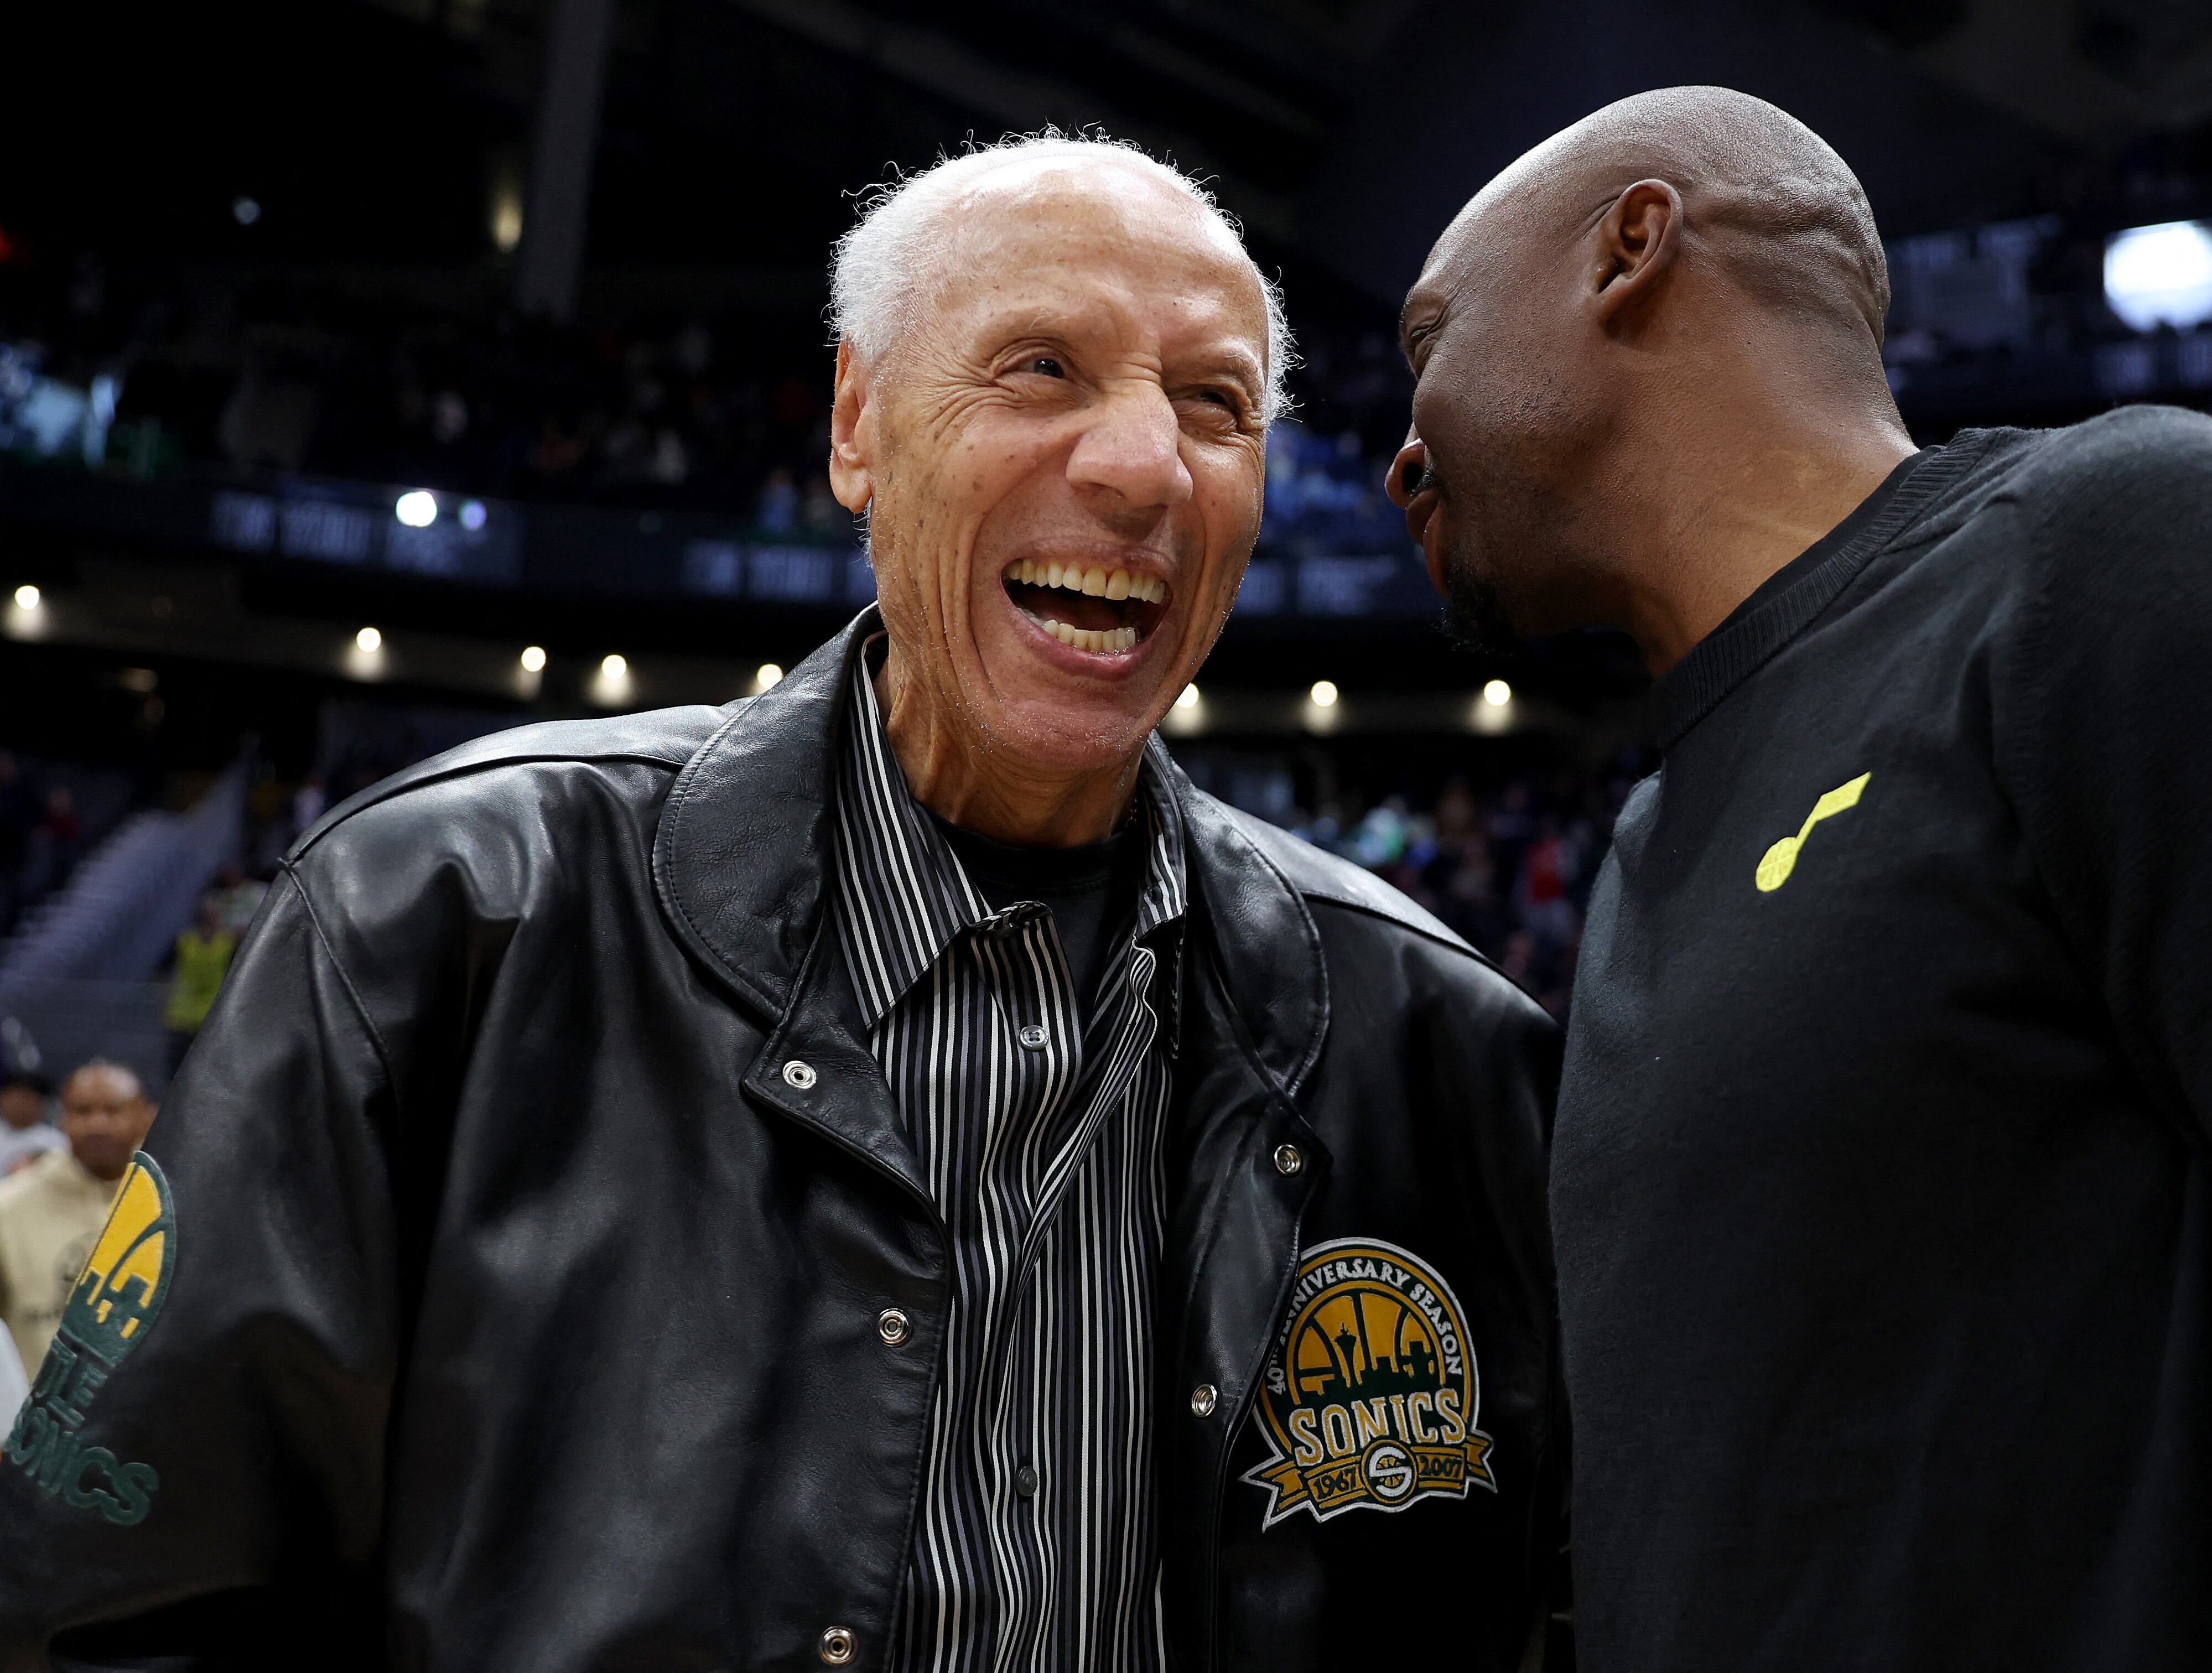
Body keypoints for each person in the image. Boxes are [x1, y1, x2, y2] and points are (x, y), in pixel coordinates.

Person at [0, 134, 1562, 1671]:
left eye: (1215, 405)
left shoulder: (1430, 1034)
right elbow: (123, 1609)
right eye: (1039, 368)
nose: (1146, 463)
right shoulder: (441, 914)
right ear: (857, 426)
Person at [1388, 85, 2212, 1670]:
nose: (1400, 452)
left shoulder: (2120, 553)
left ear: (1630, 249)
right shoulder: (1651, 837)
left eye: (1429, 338)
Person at [0, 1062, 154, 1382]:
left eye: (113, 1111)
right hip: (42, 1419)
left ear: (146, 1116)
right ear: (62, 1118)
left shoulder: (175, 1202)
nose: (98, 1124)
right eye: (83, 1111)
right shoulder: (9, 1207)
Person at [162, 891, 237, 1074]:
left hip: (210, 1018)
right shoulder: (185, 941)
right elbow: (162, 973)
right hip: (184, 1018)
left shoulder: (228, 942)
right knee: (180, 1072)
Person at [0, 1072, 64, 1177]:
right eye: (15, 1096)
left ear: (43, 1104)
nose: (20, 1105)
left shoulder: (56, 1142)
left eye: (27, 1098)